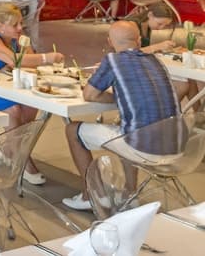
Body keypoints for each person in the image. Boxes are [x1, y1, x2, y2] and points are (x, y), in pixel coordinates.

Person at [62, 20, 181, 211]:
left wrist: (116, 97)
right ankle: (129, 193)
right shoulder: (155, 61)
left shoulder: (113, 61)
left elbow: (89, 94)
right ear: (139, 40)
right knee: (129, 126)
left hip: (143, 148)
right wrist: (123, 96)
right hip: (176, 145)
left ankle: (92, 195)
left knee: (72, 130)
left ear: (110, 42)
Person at [0, 3, 66, 185]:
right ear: (0, 25)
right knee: (13, 110)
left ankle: (11, 149)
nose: (20, 28)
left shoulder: (17, 39)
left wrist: (28, 51)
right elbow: (15, 61)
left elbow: (30, 65)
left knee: (31, 104)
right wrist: (47, 58)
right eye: (15, 24)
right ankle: (21, 161)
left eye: (21, 23)